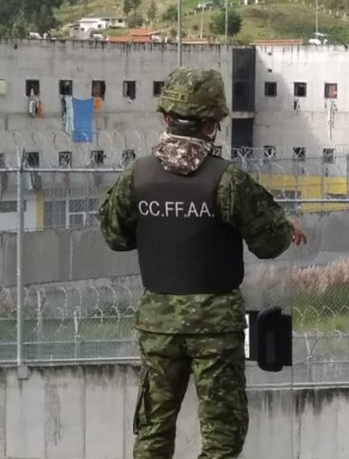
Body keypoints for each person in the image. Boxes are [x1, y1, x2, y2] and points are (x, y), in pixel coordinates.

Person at [98, 66, 307, 459]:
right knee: (222, 436)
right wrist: (283, 226)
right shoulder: (228, 180)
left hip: (157, 323)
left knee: (153, 431)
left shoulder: (137, 176)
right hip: (216, 328)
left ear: (165, 118)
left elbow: (114, 235)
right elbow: (269, 243)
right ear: (214, 124)